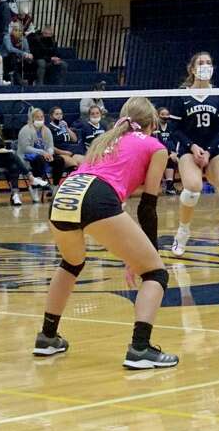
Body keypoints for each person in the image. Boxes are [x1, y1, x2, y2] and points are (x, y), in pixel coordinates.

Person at [34, 96, 178, 369]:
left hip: (64, 194)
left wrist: (134, 254)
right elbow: (148, 207)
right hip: (95, 196)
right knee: (155, 273)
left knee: (71, 263)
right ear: (152, 124)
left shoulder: (104, 140)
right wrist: (148, 256)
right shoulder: (155, 146)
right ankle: (140, 348)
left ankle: (47, 337)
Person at [169, 52, 219, 261]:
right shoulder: (181, 94)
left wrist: (209, 151)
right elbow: (174, 128)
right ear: (192, 68)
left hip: (212, 149)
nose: (205, 66)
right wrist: (192, 147)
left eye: (208, 62)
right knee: (194, 187)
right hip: (189, 148)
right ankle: (182, 233)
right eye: (200, 62)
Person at [0, 109, 48, 206]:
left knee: (13, 165)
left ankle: (15, 194)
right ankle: (31, 178)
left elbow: (1, 146)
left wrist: (2, 150)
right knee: (11, 155)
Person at [17, 108, 66, 193]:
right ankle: (35, 186)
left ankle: (55, 186)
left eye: (41, 117)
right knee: (39, 159)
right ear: (32, 118)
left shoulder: (46, 130)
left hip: (44, 156)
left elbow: (50, 146)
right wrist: (43, 152)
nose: (40, 119)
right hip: (27, 157)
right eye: (37, 117)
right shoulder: (25, 130)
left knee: (60, 160)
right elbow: (25, 148)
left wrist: (49, 154)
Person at [154, 105, 178, 195]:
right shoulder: (155, 126)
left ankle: (170, 186)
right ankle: (167, 185)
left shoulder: (171, 126)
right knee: (167, 158)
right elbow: (157, 141)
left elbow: (174, 140)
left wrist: (174, 151)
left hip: (171, 152)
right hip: (157, 151)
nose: (165, 117)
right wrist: (169, 152)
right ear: (157, 115)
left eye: (167, 114)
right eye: (162, 114)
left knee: (174, 159)